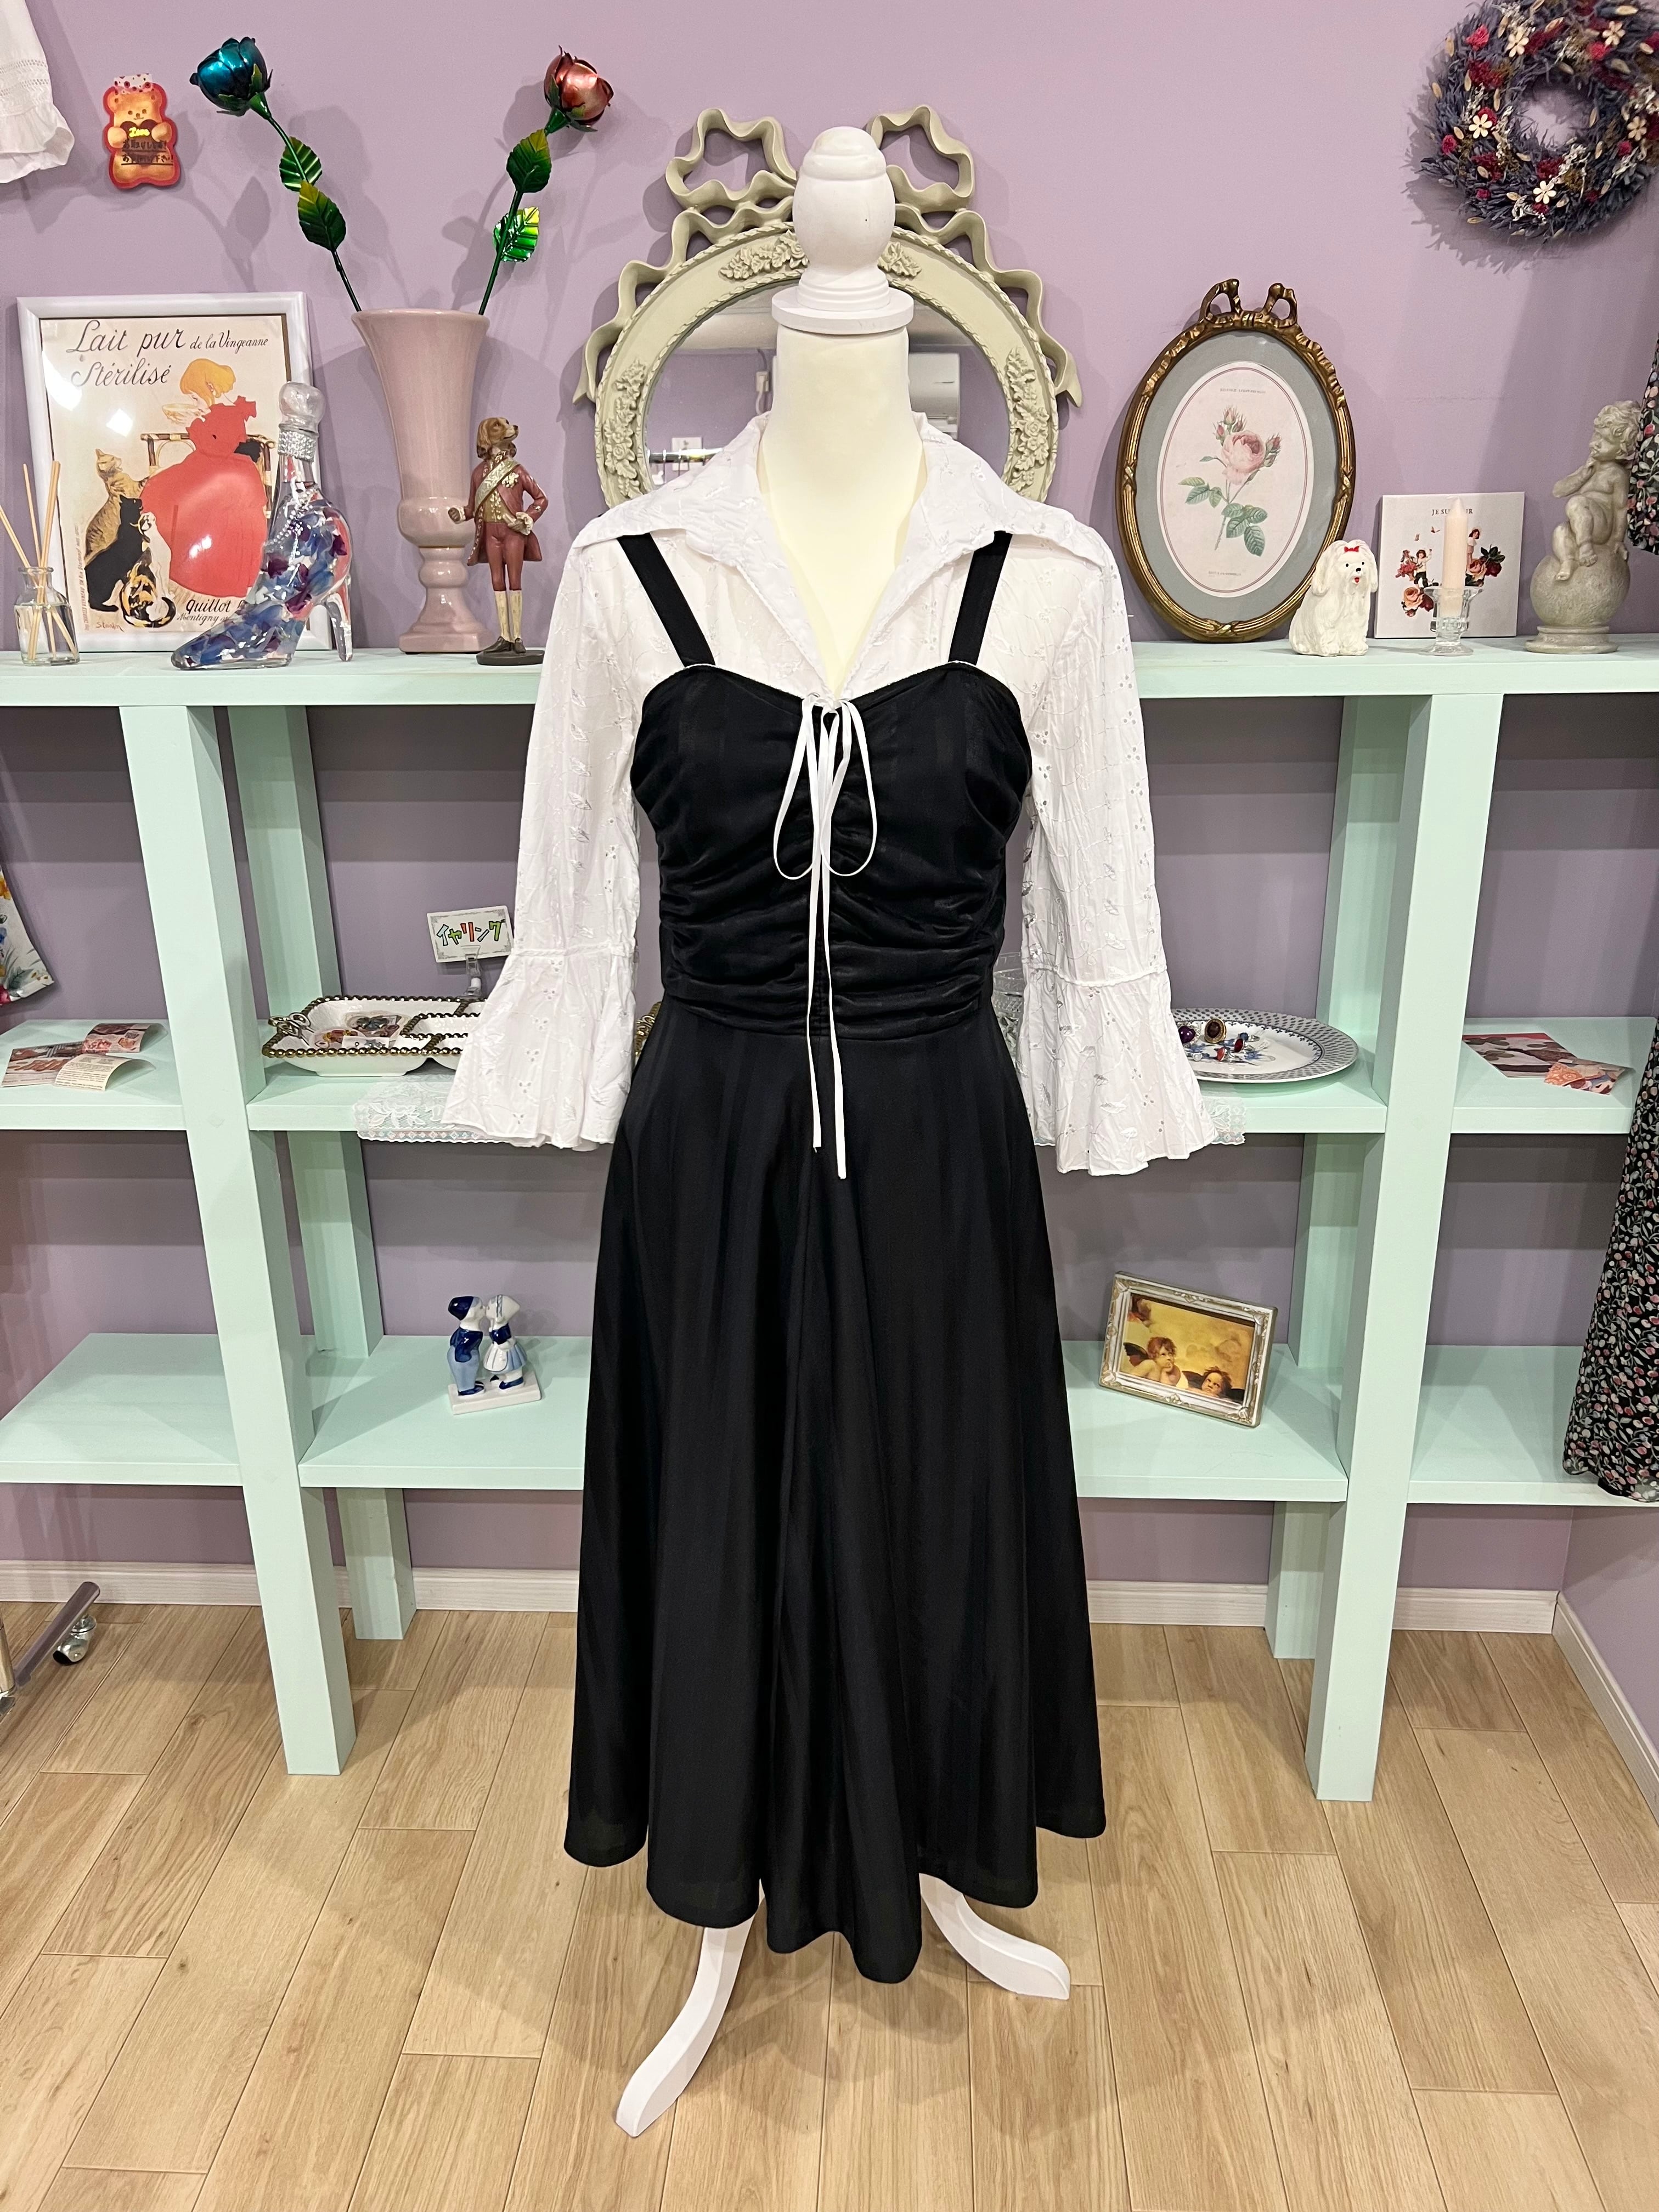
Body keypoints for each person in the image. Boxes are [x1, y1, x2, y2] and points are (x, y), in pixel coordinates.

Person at [452, 417, 549, 663]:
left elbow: (541, 499)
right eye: (499, 426)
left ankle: (518, 637)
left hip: (512, 532)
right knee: (497, 581)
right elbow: (472, 507)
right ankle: (505, 635)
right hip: (490, 533)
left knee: (514, 580)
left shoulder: (517, 470)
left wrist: (527, 518)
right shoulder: (478, 474)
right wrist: (461, 514)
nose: (509, 427)